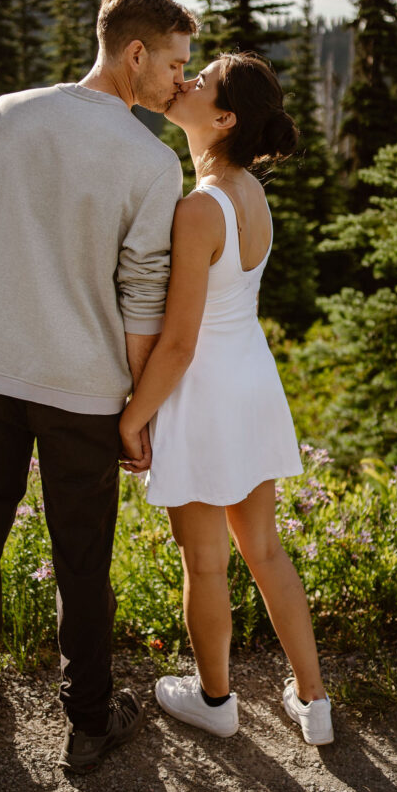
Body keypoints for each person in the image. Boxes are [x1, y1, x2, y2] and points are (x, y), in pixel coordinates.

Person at [0, 0, 198, 772]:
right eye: (176, 63)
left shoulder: (6, 112)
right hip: (82, 387)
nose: (181, 82)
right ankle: (88, 721)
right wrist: (137, 411)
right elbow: (144, 293)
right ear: (134, 52)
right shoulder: (152, 160)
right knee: (82, 554)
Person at [119, 52, 333, 747]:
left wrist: (132, 417)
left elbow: (177, 344)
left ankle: (215, 701)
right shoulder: (249, 192)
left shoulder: (196, 209)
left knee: (206, 562)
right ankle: (314, 702)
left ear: (222, 117)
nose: (184, 81)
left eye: (200, 79)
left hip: (205, 395)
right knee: (265, 551)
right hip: (252, 386)